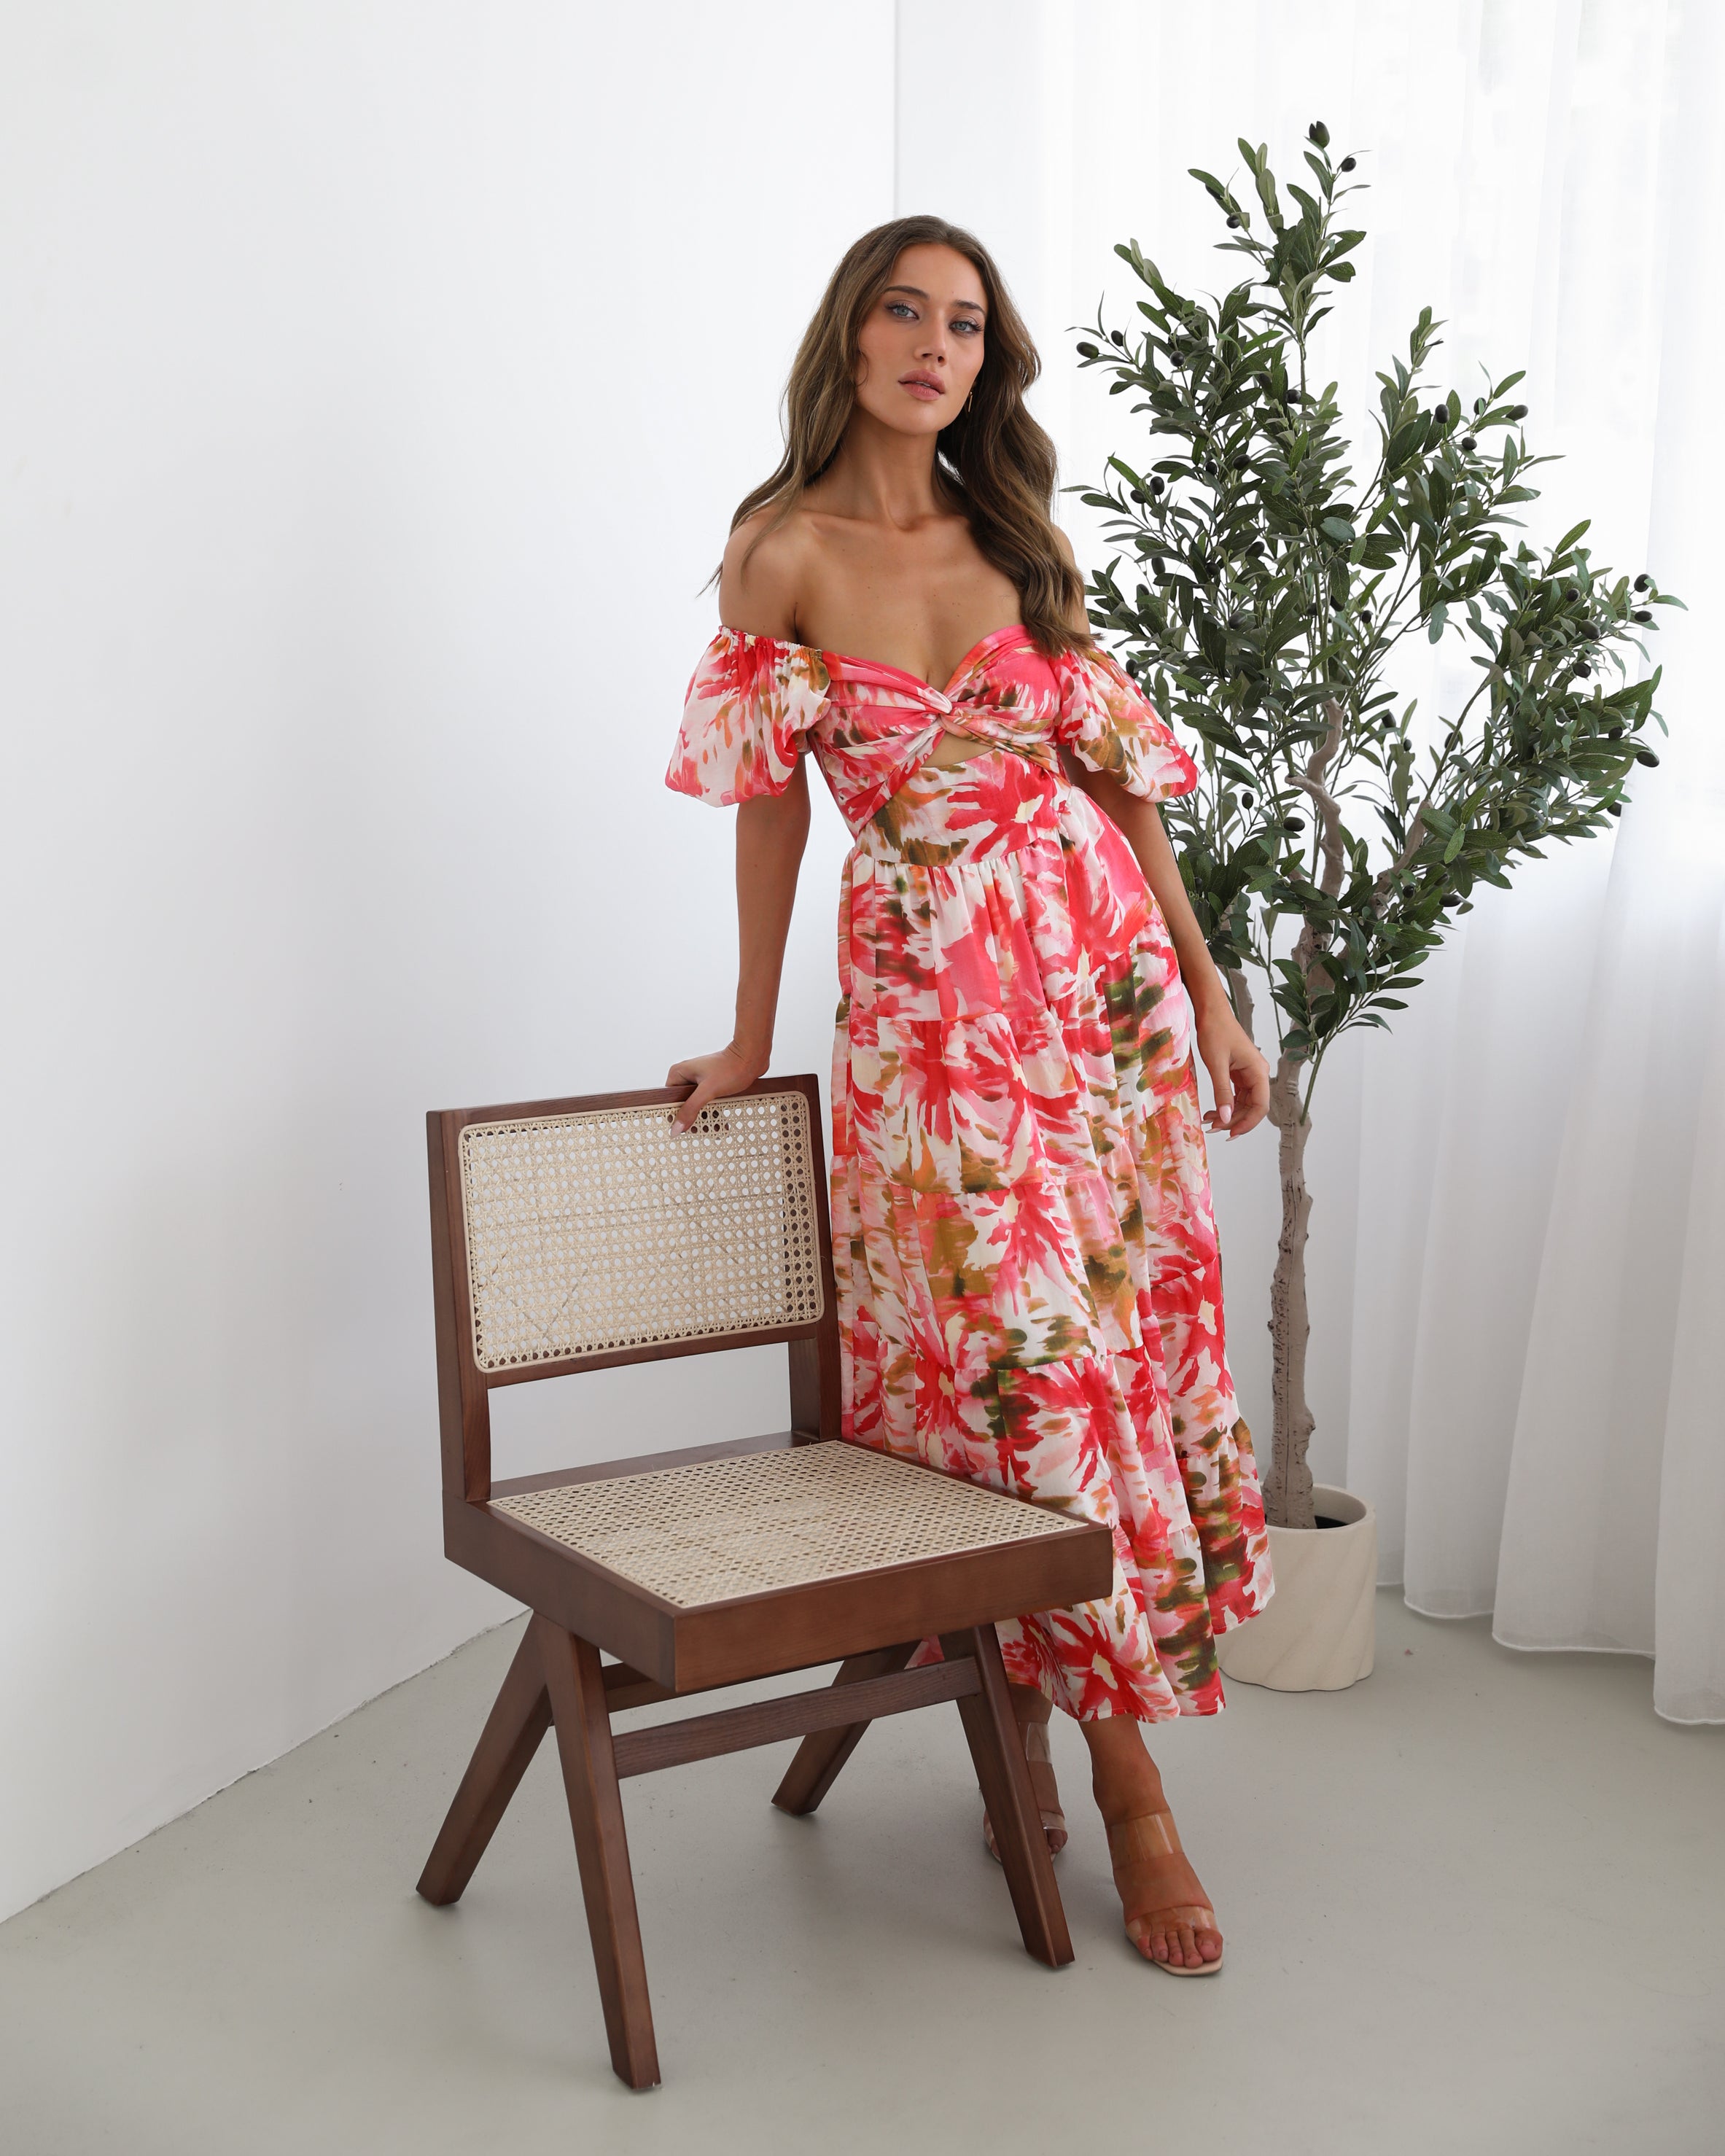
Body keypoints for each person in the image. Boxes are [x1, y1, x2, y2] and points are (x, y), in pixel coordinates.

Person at [665, 214, 1273, 1975]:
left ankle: (1083, 1729)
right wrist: (745, 1026)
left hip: (1100, 995)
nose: (936, 346)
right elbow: (770, 805)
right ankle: (1106, 1753)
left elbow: (1121, 783)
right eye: (903, 313)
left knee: (1106, 1347)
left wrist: (1214, 999)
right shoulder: (775, 555)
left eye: (966, 325)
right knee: (1011, 1361)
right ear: (848, 339)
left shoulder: (1019, 543)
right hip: (929, 1013)